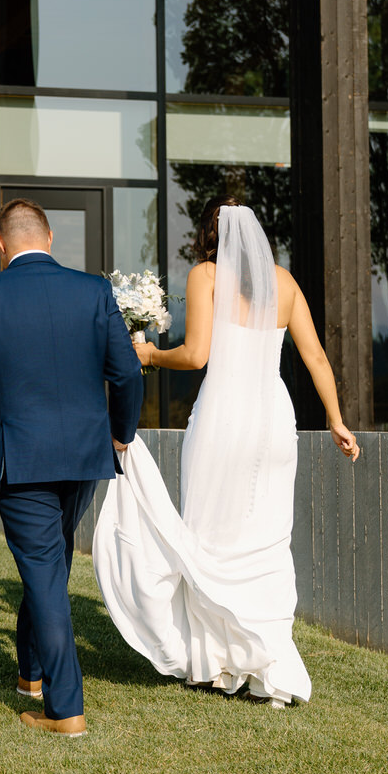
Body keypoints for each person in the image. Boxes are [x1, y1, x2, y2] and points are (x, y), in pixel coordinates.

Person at [93, 197, 359, 707]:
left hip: (223, 418)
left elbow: (196, 355)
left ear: (207, 235)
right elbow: (316, 356)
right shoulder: (285, 283)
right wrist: (336, 419)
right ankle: (267, 662)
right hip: (276, 422)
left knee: (211, 532)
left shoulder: (206, 276)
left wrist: (148, 353)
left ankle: (213, 663)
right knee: (266, 537)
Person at [0, 197, 143, 737]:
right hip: (84, 456)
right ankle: (30, 674)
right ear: (50, 239)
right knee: (49, 564)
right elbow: (125, 373)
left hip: (23, 454)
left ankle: (66, 709)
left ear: (0, 243)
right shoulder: (94, 290)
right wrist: (121, 433)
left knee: (45, 572)